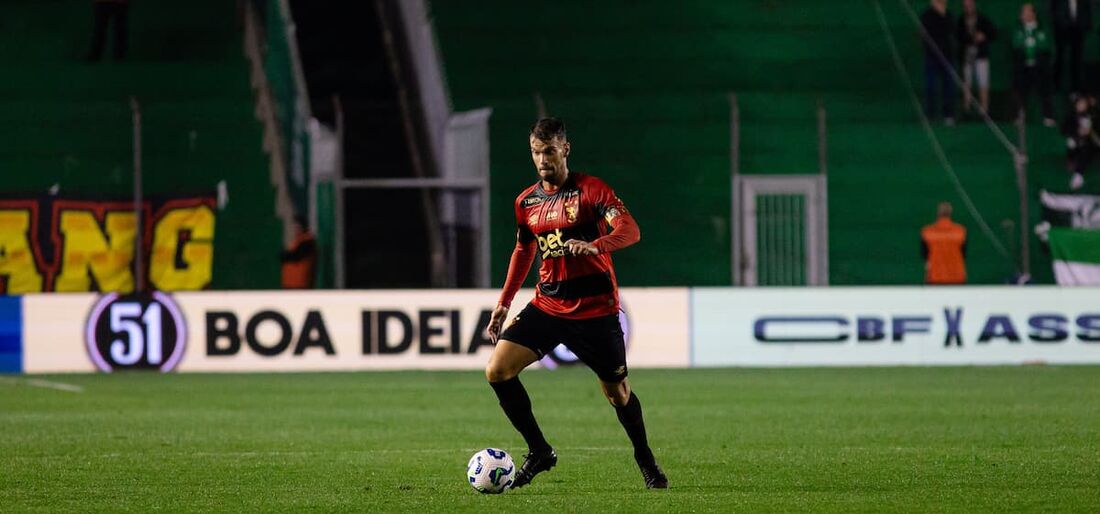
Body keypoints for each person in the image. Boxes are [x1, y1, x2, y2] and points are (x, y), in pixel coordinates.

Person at [484, 118, 666, 489]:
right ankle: (540, 451)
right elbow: (524, 249)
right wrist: (504, 303)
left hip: (595, 311)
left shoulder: (591, 191)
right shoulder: (526, 202)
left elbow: (630, 230)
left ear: (565, 149)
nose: (542, 160)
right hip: (548, 305)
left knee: (618, 393)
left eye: (549, 151)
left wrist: (596, 244)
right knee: (497, 371)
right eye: (536, 152)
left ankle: (644, 457)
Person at [1012, 3, 1056, 127]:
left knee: (1045, 90)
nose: (1025, 15)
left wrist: (1033, 43)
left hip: (1039, 66)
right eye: (1023, 12)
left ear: (1034, 14)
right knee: (1020, 90)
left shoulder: (1043, 28)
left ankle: (1048, 116)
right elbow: (1016, 44)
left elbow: (1045, 45)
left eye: (1028, 12)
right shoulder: (1018, 29)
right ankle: (1020, 115)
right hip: (1023, 66)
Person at [956, 0, 997, 115]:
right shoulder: (961, 20)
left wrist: (983, 36)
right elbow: (958, 37)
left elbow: (993, 33)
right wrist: (970, 38)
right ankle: (966, 108)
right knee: (966, 83)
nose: (968, 8)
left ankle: (984, 109)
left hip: (981, 55)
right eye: (965, 6)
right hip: (966, 56)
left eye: (970, 5)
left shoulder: (982, 19)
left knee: (983, 82)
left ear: (974, 5)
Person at [921, 0, 957, 125]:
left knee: (949, 87)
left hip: (947, 56)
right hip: (932, 57)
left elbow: (951, 30)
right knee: (931, 86)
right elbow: (925, 34)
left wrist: (942, 15)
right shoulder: (927, 15)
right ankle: (930, 115)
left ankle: (949, 115)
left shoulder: (949, 16)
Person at [920, 202, 967, 284]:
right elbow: (963, 253)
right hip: (956, 276)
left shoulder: (927, 232)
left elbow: (925, 255)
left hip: (935, 276)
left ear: (938, 213)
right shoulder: (960, 231)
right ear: (950, 213)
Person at [1050, 0, 1092, 92]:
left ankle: (1075, 87)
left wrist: (1081, 29)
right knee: (1059, 58)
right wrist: (1066, 27)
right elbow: (1055, 15)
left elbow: (1087, 18)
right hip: (1061, 33)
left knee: (1076, 61)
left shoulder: (1084, 2)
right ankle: (1055, 85)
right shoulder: (1058, 2)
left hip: (1078, 35)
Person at [1061, 94, 1100, 189]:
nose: (1081, 106)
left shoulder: (1093, 116)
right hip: (1075, 145)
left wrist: (1091, 132)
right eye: (1079, 103)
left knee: (1087, 149)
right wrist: (1077, 132)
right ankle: (1072, 162)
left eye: (1083, 104)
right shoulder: (1071, 116)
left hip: (1090, 146)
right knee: (1072, 143)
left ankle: (1078, 175)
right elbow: (1064, 130)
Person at [280, 216, 316, 289]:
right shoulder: (298, 241)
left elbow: (295, 256)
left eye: (298, 226)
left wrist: (285, 255)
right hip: (291, 284)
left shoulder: (307, 241)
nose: (296, 228)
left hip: (300, 285)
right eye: (295, 226)